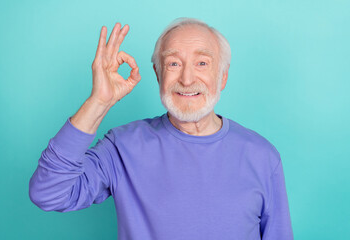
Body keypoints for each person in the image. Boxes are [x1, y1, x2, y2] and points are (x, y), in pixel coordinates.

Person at [29, 17, 294, 239]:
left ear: (222, 76)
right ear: (158, 74)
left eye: (202, 63)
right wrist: (99, 101)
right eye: (173, 64)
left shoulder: (262, 156)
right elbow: (48, 193)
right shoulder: (122, 147)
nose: (187, 79)